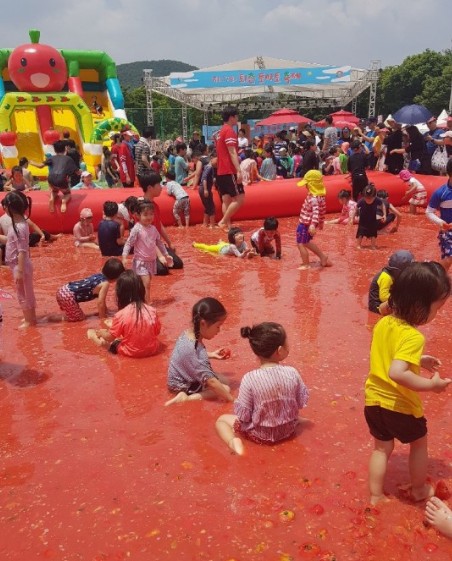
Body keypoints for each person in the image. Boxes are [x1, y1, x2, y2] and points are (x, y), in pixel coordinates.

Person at [364, 261, 451, 505]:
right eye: (438, 308)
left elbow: (391, 355)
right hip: (399, 405)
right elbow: (397, 373)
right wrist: (431, 386)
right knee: (419, 444)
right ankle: (419, 489)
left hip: (373, 401)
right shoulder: (413, 336)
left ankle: (376, 495)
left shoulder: (383, 322)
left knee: (381, 449)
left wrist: (418, 360)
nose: (438, 314)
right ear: (418, 306)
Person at [216, 322, 309, 455]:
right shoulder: (292, 373)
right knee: (300, 419)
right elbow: (300, 403)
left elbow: (244, 416)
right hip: (288, 430)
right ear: (280, 350)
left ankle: (233, 443)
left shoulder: (249, 379)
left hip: (259, 435)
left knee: (222, 420)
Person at [165, 297, 234, 405]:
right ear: (203, 323)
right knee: (225, 388)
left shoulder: (187, 335)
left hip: (176, 380)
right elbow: (211, 382)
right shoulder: (195, 350)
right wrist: (232, 400)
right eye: (218, 326)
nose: (219, 330)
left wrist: (212, 354)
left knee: (224, 380)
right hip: (182, 386)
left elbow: (189, 357)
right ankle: (187, 398)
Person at [87, 270, 161, 358]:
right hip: (152, 350)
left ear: (120, 293)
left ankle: (99, 340)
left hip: (130, 352)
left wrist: (100, 333)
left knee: (92, 333)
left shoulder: (121, 314)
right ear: (141, 290)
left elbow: (110, 337)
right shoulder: (152, 311)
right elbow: (157, 332)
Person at [122, 201, 173, 303]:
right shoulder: (137, 229)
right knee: (147, 284)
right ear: (137, 215)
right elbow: (128, 243)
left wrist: (166, 255)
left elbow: (159, 243)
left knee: (144, 284)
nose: (149, 217)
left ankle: (138, 301)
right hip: (140, 261)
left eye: (151, 214)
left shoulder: (153, 229)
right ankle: (147, 304)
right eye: (145, 214)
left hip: (151, 261)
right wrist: (124, 256)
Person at [53, 258, 125, 322]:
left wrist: (106, 310)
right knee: (80, 319)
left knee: (72, 314)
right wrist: (103, 318)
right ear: (116, 278)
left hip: (63, 290)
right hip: (68, 296)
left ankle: (59, 318)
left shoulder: (99, 275)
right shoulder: (105, 284)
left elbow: (102, 300)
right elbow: (100, 303)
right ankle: (53, 319)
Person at [138, 173, 183, 275]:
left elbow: (159, 224)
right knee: (162, 270)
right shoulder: (141, 207)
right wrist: (160, 255)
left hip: (156, 244)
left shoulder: (155, 205)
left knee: (177, 264)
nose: (161, 187)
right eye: (158, 184)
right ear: (150, 187)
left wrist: (169, 242)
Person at [3, 191, 36, 327]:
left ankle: (29, 320)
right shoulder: (20, 224)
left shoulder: (19, 227)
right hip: (19, 265)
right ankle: (31, 318)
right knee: (27, 291)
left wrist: (20, 271)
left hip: (20, 265)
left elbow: (22, 251)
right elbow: (12, 242)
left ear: (8, 208)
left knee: (23, 293)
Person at [296, 170, 332, 270]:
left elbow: (316, 211)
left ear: (312, 184)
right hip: (309, 223)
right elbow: (322, 210)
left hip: (306, 223)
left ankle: (306, 264)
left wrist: (312, 224)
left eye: (307, 184)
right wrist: (321, 222)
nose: (305, 186)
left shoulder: (314, 198)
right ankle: (323, 257)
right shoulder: (321, 196)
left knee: (301, 243)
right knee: (306, 242)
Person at [216, 106, 245, 230]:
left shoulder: (219, 132)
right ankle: (223, 221)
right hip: (229, 170)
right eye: (236, 116)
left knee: (226, 199)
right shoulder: (229, 131)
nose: (237, 119)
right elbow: (232, 152)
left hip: (220, 171)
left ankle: (227, 226)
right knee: (240, 198)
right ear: (232, 117)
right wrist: (239, 170)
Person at [368, 250, 414, 315]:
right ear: (398, 271)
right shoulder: (386, 277)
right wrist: (399, 299)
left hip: (386, 302)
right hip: (377, 306)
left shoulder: (393, 275)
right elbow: (383, 297)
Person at [426, 158, 452, 271]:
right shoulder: (441, 193)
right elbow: (429, 212)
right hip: (448, 231)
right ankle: (437, 281)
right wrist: (441, 223)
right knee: (449, 259)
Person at [39, 140, 79, 213]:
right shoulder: (68, 159)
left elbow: (40, 166)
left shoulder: (52, 158)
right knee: (67, 193)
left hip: (51, 179)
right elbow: (77, 171)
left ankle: (52, 198)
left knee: (55, 190)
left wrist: (31, 162)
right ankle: (64, 201)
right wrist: (80, 172)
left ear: (54, 150)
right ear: (65, 148)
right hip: (61, 180)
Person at [352, 184, 385, 249]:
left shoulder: (377, 200)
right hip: (362, 221)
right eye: (366, 198)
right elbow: (356, 208)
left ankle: (373, 245)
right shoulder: (362, 201)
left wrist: (384, 214)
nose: (368, 200)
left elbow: (382, 205)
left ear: (374, 196)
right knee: (360, 234)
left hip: (372, 221)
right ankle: (358, 245)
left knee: (373, 234)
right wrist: (352, 218)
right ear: (363, 196)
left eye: (370, 198)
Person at [199, 155, 217, 228]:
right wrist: (206, 189)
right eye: (216, 163)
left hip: (203, 188)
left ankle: (205, 223)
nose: (217, 164)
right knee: (211, 206)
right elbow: (204, 178)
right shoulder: (209, 167)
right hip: (204, 188)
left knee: (207, 206)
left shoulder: (209, 167)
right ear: (212, 159)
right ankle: (212, 225)